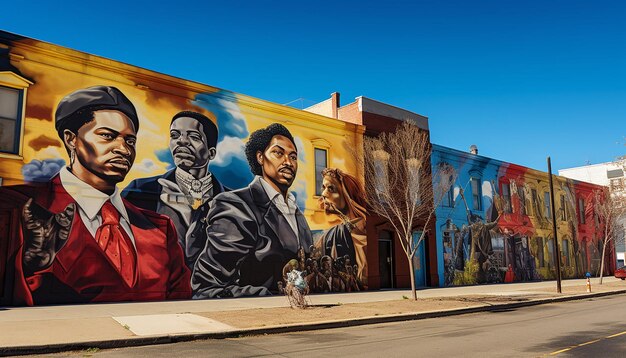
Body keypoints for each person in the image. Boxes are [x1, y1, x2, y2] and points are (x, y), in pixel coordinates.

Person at [2, 85, 191, 305]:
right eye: (107, 136)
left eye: (130, 140)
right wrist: (31, 266)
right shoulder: (16, 208)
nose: (123, 149)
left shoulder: (159, 228)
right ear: (71, 138)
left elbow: (179, 303)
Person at [192, 123, 313, 298]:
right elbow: (208, 287)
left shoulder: (296, 212)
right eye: (278, 153)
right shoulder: (235, 205)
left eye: (293, 157)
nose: (288, 162)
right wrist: (270, 300)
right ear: (260, 157)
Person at [123, 111, 226, 270]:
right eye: (175, 135)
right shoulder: (140, 190)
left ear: (211, 152)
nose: (182, 141)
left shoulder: (232, 200)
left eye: (194, 137)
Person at [317, 168, 369, 287]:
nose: (324, 194)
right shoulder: (330, 235)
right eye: (323, 188)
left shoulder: (362, 228)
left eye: (331, 188)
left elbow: (364, 275)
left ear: (347, 195)